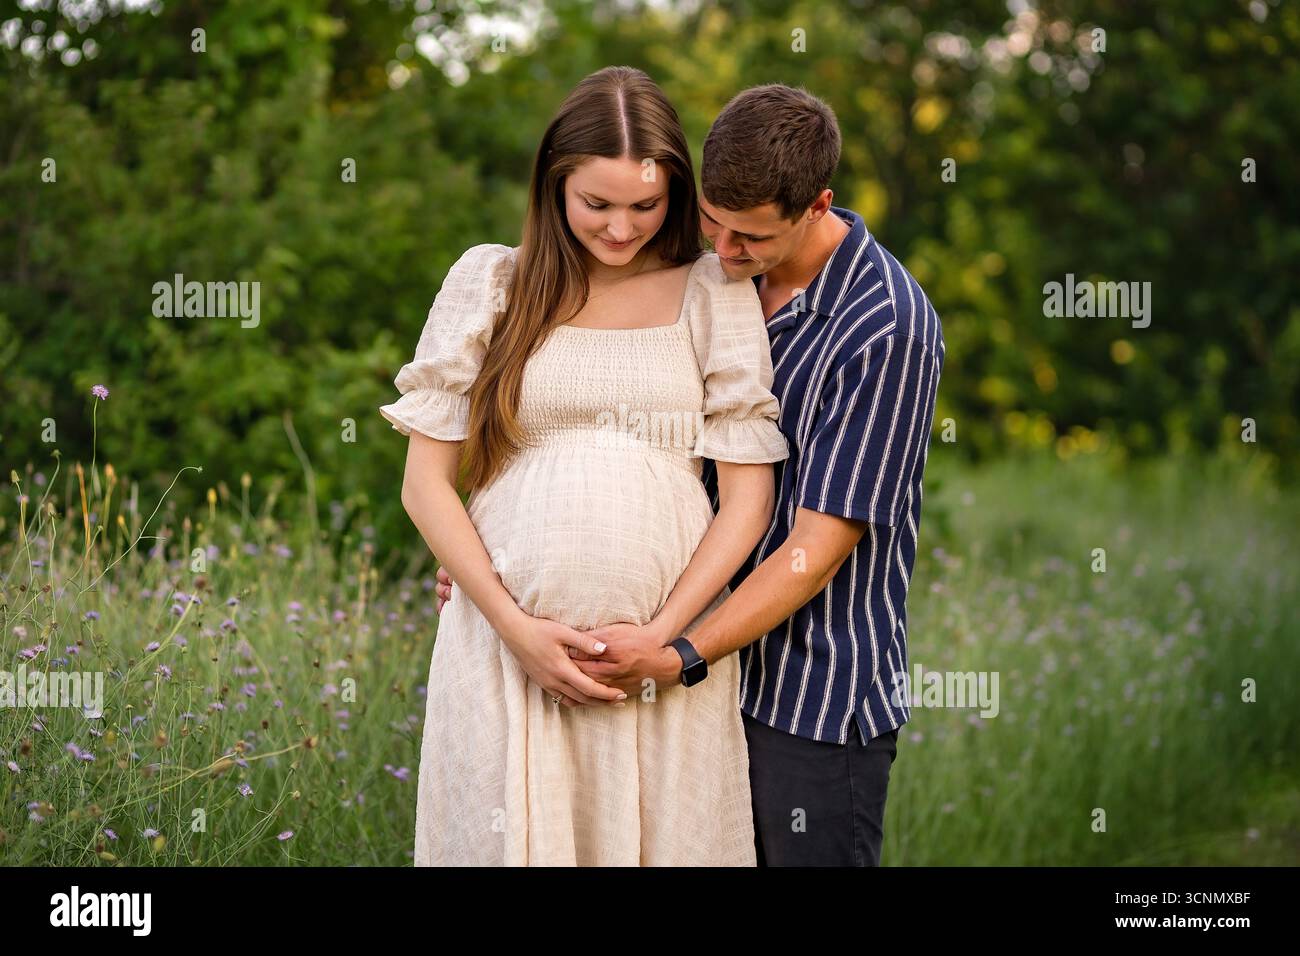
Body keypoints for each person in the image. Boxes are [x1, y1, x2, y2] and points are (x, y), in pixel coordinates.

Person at [439, 83, 945, 867]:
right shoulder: (712, 279)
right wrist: (497, 552)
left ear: (818, 206)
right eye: (711, 221)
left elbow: (820, 541)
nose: (726, 251)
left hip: (806, 683)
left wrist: (678, 652)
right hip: (686, 669)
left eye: (750, 237)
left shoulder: (885, 327)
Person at [380, 66, 788, 866]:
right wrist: (516, 627)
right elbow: (424, 484)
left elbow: (748, 500)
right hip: (504, 654)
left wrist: (662, 641)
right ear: (553, 184)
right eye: (595, 204)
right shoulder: (493, 283)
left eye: (646, 205)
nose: (619, 228)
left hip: (660, 676)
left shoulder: (712, 291)